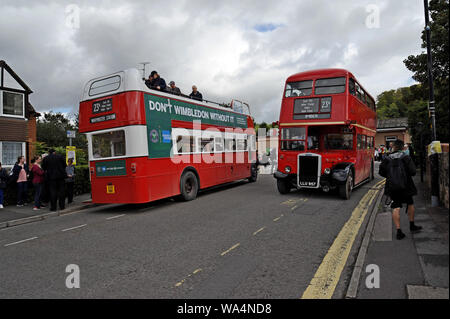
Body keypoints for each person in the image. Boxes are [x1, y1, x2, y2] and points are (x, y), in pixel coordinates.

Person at [379, 139, 422, 240]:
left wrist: (390, 176)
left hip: (393, 186)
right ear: (402, 147)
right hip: (406, 186)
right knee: (410, 204)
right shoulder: (406, 157)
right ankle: (412, 225)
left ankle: (399, 231)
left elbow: (381, 172)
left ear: (393, 147)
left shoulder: (387, 158)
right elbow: (413, 172)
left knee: (396, 206)